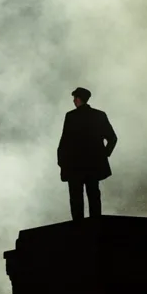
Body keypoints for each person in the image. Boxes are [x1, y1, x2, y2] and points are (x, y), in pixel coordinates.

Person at [57, 87, 117, 220]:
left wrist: (61, 161)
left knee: (76, 198)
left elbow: (65, 141)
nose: (74, 101)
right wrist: (103, 155)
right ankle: (95, 224)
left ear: (78, 99)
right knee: (94, 195)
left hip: (74, 166)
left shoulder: (71, 116)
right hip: (93, 165)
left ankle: (78, 228)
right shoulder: (99, 115)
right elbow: (112, 138)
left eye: (75, 98)